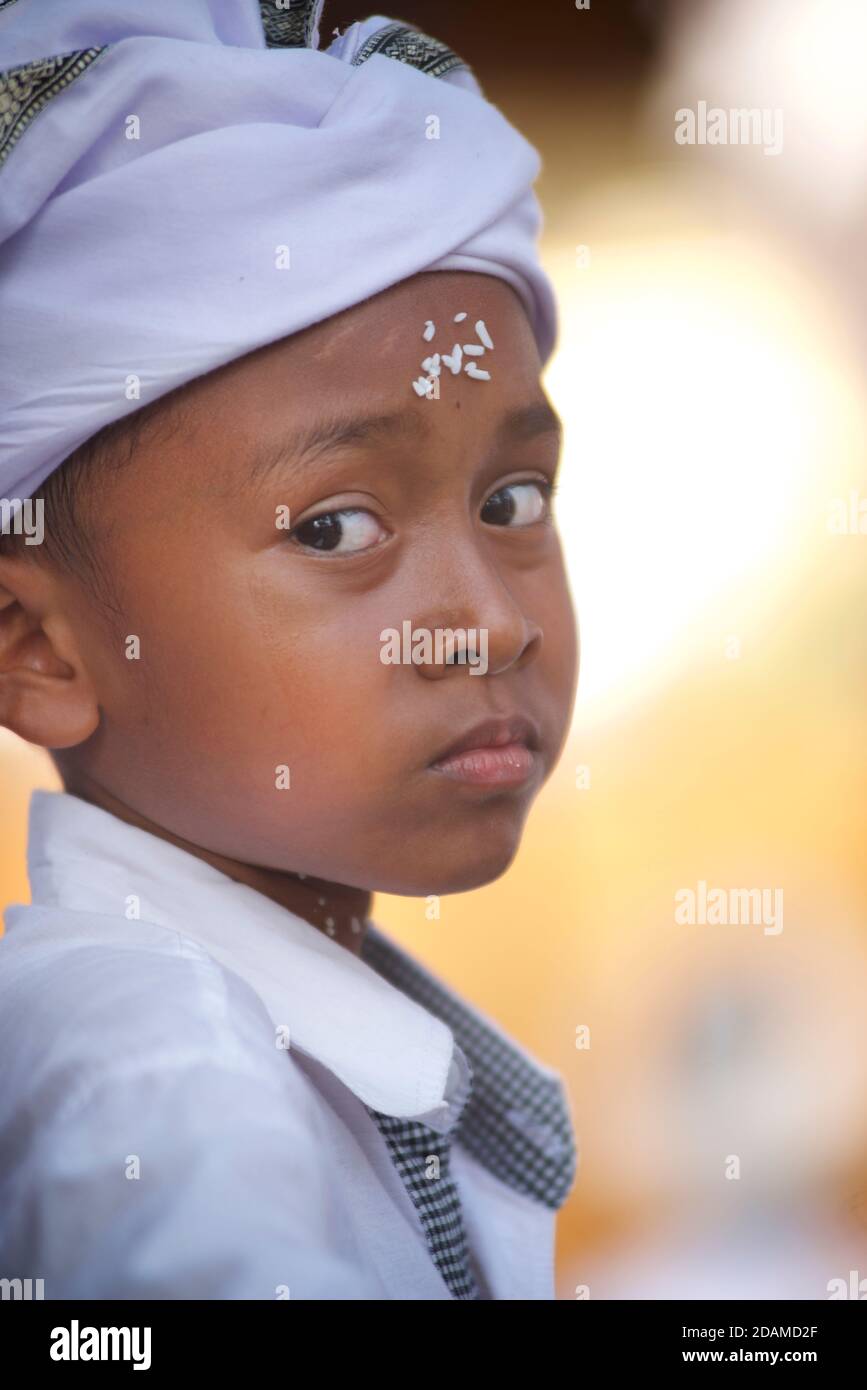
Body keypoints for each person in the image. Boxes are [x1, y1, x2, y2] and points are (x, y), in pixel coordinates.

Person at [0, 0, 579, 1299]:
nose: (491, 621)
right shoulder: (153, 1065)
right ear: (37, 647)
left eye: (515, 503)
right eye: (336, 527)